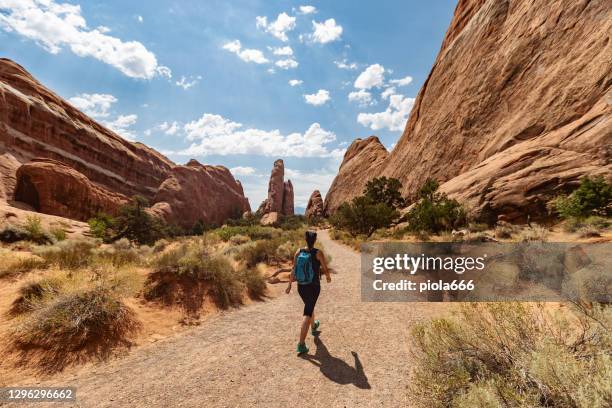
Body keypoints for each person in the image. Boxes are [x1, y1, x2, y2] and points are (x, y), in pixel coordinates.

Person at [286, 230, 331, 354]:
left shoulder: (298, 252)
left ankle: (314, 326)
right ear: (315, 240)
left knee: (309, 306)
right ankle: (301, 344)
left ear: (305, 239)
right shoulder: (318, 253)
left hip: (301, 286)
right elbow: (325, 267)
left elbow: (293, 269)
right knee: (307, 312)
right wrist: (328, 277)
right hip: (314, 286)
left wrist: (289, 285)